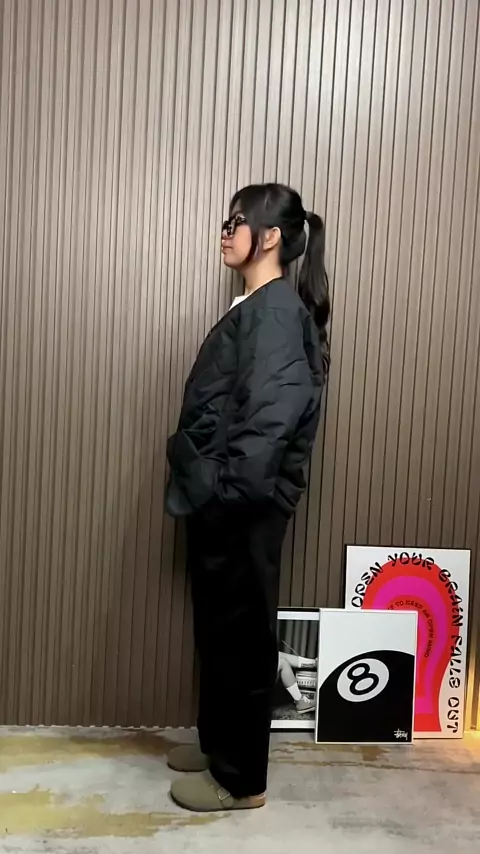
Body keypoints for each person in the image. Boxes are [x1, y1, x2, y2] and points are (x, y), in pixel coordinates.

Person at [165, 183, 330, 812]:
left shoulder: (276, 312)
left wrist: (224, 494)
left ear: (271, 237)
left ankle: (241, 782)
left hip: (241, 505)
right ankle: (219, 746)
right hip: (225, 501)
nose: (225, 231)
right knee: (219, 631)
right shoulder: (258, 307)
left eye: (237, 221)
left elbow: (269, 420)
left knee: (239, 639)